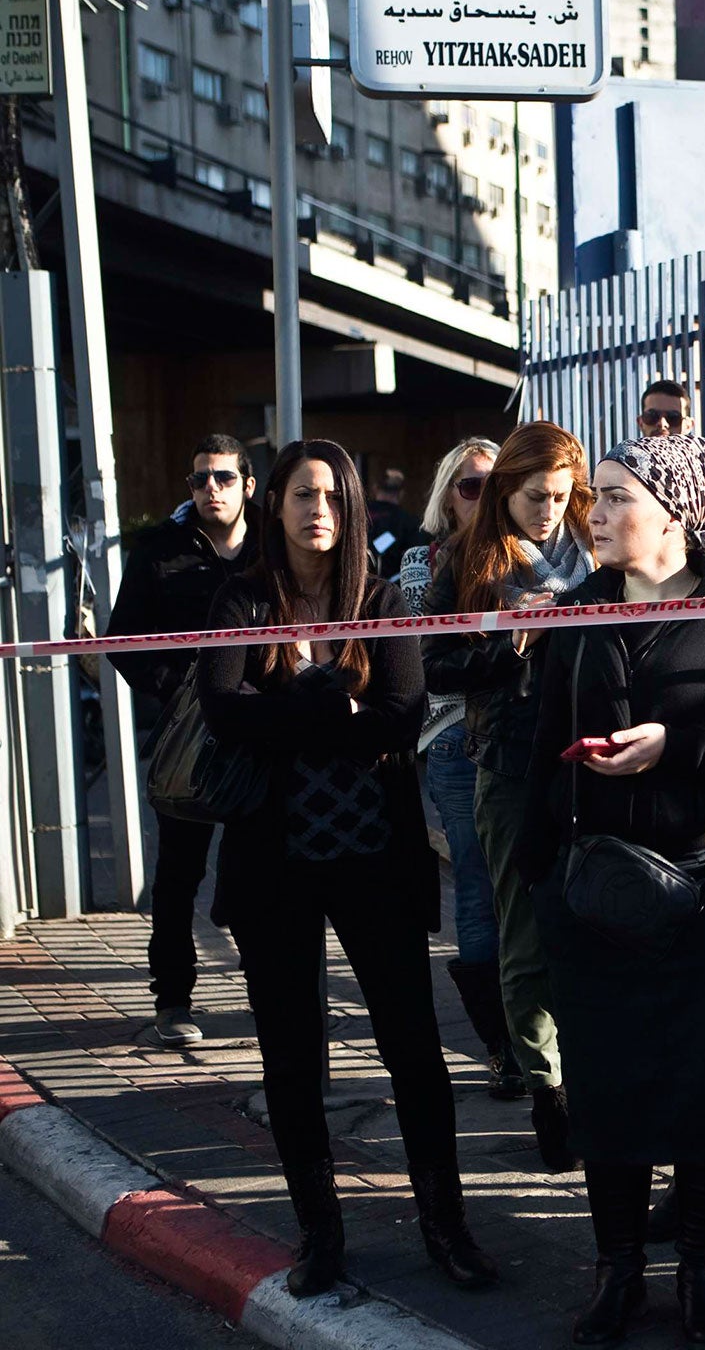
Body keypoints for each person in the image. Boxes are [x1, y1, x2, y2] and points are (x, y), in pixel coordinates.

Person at [515, 433, 705, 1347]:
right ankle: (619, 1270)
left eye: (612, 498)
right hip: (594, 889)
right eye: (592, 498)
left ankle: (701, 1270)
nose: (590, 515)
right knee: (608, 1085)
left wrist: (675, 747)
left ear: (676, 510)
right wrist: (535, 875)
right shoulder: (573, 614)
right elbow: (532, 745)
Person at [195, 440, 496, 1298]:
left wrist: (289, 710)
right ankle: (318, 1237)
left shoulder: (383, 597)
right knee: (293, 1061)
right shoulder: (242, 598)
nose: (315, 507)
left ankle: (447, 1225)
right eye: (298, 493)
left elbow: (402, 719)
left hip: (377, 863)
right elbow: (223, 711)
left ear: (352, 504)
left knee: (414, 1051)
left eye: (330, 493)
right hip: (273, 868)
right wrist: (328, 705)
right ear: (275, 505)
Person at [423, 422, 594, 1172]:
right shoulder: (468, 559)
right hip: (513, 763)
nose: (549, 511)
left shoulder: (599, 549)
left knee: (596, 927)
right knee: (523, 938)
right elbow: (433, 664)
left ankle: (592, 1080)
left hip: (596, 765)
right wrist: (509, 644)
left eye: (562, 496)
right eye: (535, 496)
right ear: (505, 490)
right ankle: (546, 1092)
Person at [108, 434, 258, 1049]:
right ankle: (173, 1000)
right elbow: (122, 637)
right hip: (187, 743)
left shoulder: (271, 551)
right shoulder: (159, 551)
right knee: (177, 875)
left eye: (223, 477)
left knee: (262, 869)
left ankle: (272, 989)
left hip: (259, 731)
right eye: (199, 480)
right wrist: (176, 693)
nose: (210, 490)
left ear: (249, 485)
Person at [397, 436, 522, 1102]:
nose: (482, 495)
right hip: (453, 736)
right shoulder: (424, 561)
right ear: (447, 494)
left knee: (529, 886)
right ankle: (500, 1046)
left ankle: (538, 1034)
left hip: (524, 734)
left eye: (494, 484)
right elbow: (426, 658)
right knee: (478, 885)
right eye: (469, 485)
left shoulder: (530, 552)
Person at [366, 467, 427, 580]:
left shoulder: (358, 515)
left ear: (375, 488)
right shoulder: (409, 522)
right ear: (401, 493)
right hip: (394, 588)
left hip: (358, 583)